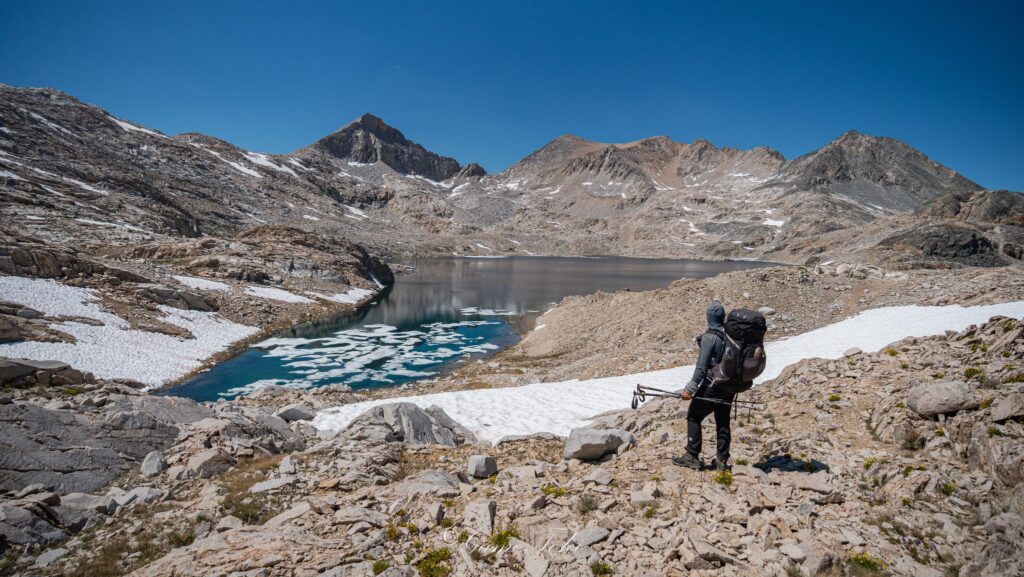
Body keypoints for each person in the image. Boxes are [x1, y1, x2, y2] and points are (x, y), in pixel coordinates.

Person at [672, 301, 735, 471]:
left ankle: (692, 455)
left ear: (709, 317)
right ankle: (722, 461)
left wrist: (689, 390)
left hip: (712, 386)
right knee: (723, 421)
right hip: (729, 387)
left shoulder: (710, 337)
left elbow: (701, 368)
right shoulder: (730, 335)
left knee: (693, 415)